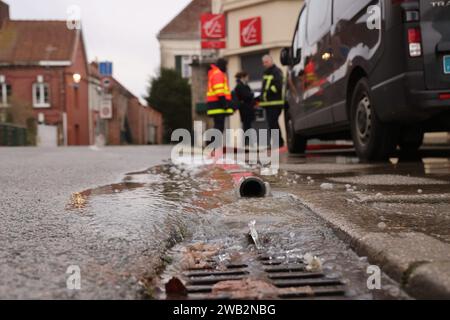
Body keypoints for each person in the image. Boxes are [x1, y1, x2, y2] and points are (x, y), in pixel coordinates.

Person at [260, 55, 285, 148]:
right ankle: (278, 142)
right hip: (268, 104)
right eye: (263, 62)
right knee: (272, 123)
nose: (264, 64)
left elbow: (278, 85)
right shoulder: (266, 72)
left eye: (266, 62)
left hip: (275, 103)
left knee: (273, 123)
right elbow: (264, 87)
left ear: (271, 61)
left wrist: (268, 92)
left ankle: (277, 143)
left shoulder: (276, 71)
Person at [206, 58, 234, 133]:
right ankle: (212, 143)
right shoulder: (218, 74)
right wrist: (224, 103)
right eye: (226, 66)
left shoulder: (214, 73)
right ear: (222, 65)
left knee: (218, 125)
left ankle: (213, 142)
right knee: (219, 126)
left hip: (215, 103)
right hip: (218, 104)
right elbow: (219, 90)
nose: (226, 68)